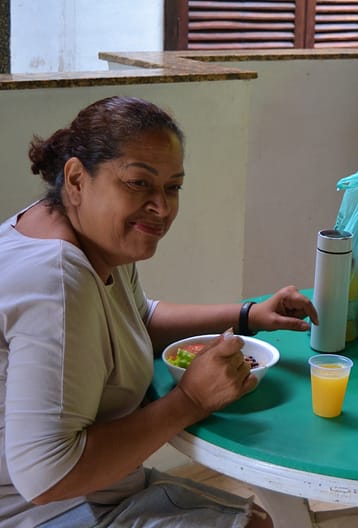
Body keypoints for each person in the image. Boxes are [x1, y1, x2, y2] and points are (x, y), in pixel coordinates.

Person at [0, 96, 319, 527]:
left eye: (172, 187)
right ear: (76, 179)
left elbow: (138, 319)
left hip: (95, 489)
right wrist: (190, 400)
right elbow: (46, 478)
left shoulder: (82, 235)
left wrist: (249, 315)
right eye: (138, 184)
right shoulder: (55, 283)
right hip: (47, 509)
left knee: (256, 519)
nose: (162, 208)